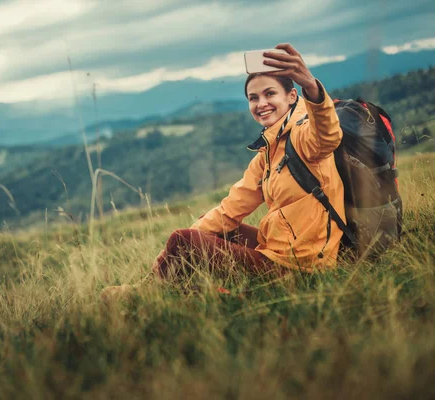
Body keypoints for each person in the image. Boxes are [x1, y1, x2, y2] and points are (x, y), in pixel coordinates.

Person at [101, 43, 345, 300]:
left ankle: (146, 295)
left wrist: (313, 88)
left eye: (270, 94)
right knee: (209, 226)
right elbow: (230, 210)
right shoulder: (268, 154)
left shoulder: (305, 138)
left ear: (292, 97)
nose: (261, 103)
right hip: (279, 250)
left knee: (184, 240)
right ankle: (178, 288)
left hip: (300, 268)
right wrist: (173, 250)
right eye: (253, 98)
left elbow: (328, 135)